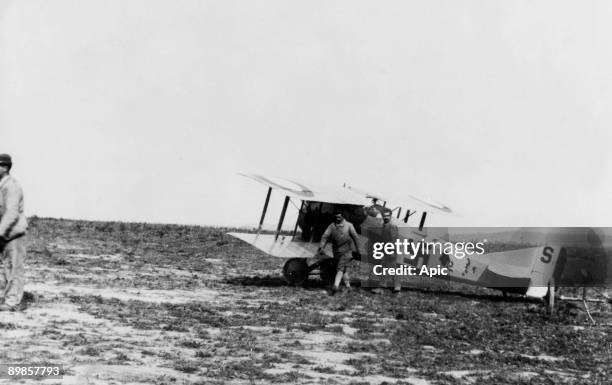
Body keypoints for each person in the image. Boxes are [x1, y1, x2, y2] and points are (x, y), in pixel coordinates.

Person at [0, 154, 28, 311]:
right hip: (5, 234)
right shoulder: (2, 185)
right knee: (5, 268)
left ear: (5, 167)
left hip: (14, 235)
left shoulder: (12, 186)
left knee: (14, 268)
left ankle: (12, 303)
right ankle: (5, 298)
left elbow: (11, 213)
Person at [318, 211, 360, 295]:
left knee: (340, 268)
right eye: (336, 217)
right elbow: (325, 236)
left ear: (343, 217)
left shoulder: (349, 225)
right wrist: (322, 247)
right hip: (336, 252)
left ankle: (335, 287)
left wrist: (358, 249)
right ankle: (348, 287)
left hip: (347, 251)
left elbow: (355, 237)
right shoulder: (332, 226)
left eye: (339, 217)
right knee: (344, 269)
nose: (337, 218)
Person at [381, 210, 402, 294]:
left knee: (389, 268)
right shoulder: (385, 225)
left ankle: (383, 287)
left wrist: (393, 251)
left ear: (390, 216)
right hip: (387, 250)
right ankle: (396, 286)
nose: (385, 217)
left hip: (391, 250)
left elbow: (394, 239)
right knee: (389, 268)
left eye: (387, 216)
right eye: (384, 216)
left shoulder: (392, 226)